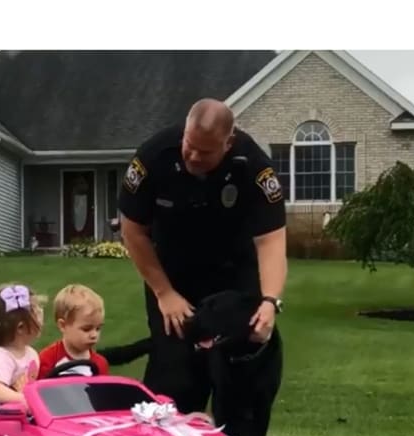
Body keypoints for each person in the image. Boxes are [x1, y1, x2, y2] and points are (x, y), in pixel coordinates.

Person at [116, 97, 288, 415]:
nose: (193, 156)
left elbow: (271, 240)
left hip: (234, 278)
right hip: (172, 277)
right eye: (189, 144)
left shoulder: (255, 167)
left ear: (228, 143)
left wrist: (270, 301)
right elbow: (132, 231)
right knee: (174, 376)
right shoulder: (154, 157)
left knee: (240, 383)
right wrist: (164, 292)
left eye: (205, 151)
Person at [0, 283, 46, 414]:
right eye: (36, 312)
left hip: (18, 418)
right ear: (21, 327)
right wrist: (27, 401)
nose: (42, 314)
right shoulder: (0, 357)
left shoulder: (32, 354)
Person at [38, 284, 111, 378]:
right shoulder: (47, 360)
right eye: (86, 329)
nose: (94, 335)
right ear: (63, 325)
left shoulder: (100, 364)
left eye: (98, 328)